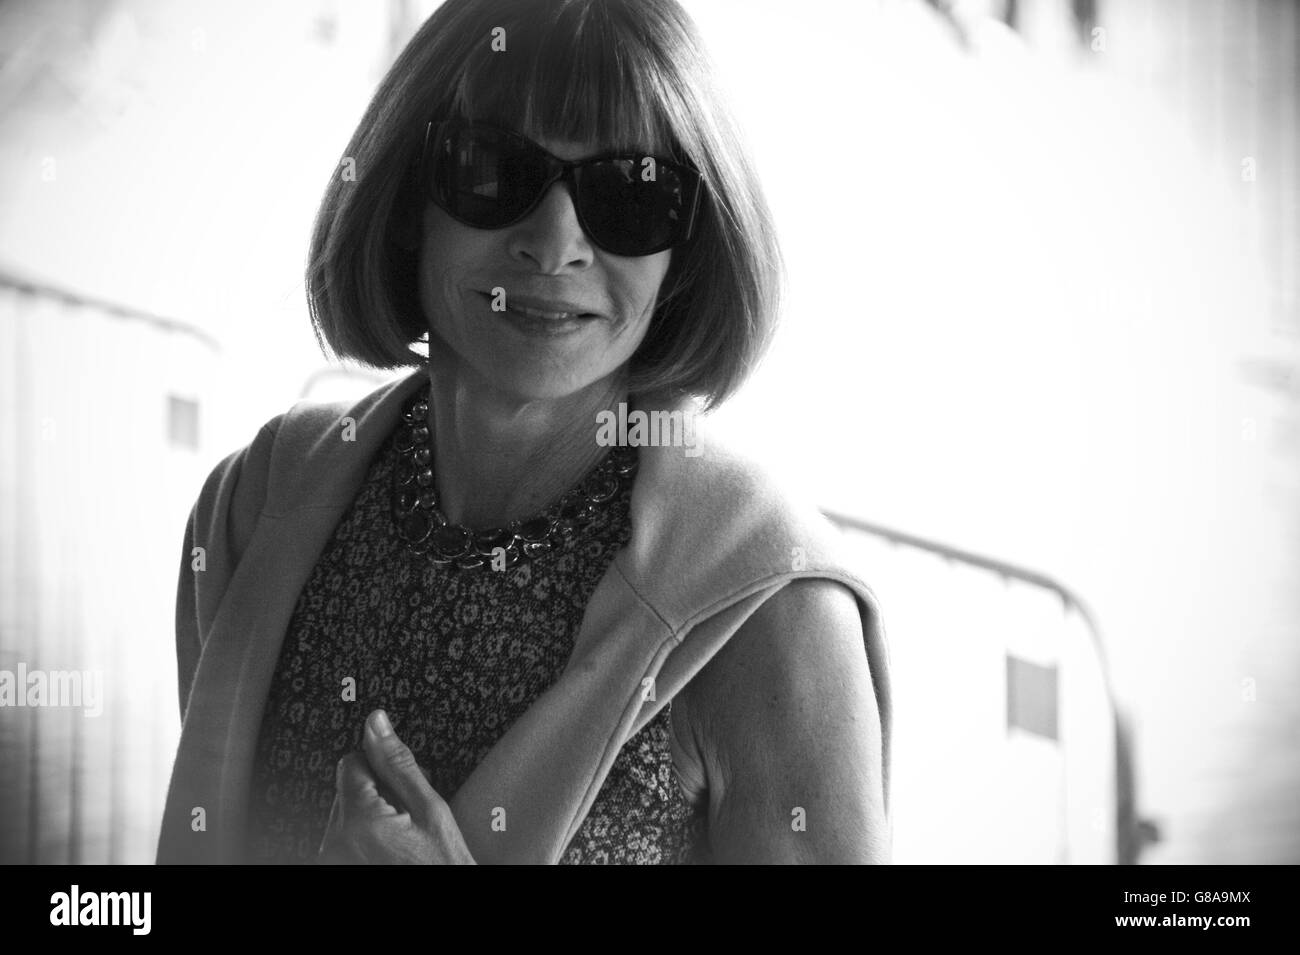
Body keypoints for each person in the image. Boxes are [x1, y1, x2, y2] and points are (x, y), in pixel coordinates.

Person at [157, 0, 892, 865]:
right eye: (493, 170)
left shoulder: (769, 616)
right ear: (404, 201)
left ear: (686, 249)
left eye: (630, 194)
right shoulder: (259, 504)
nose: (554, 245)